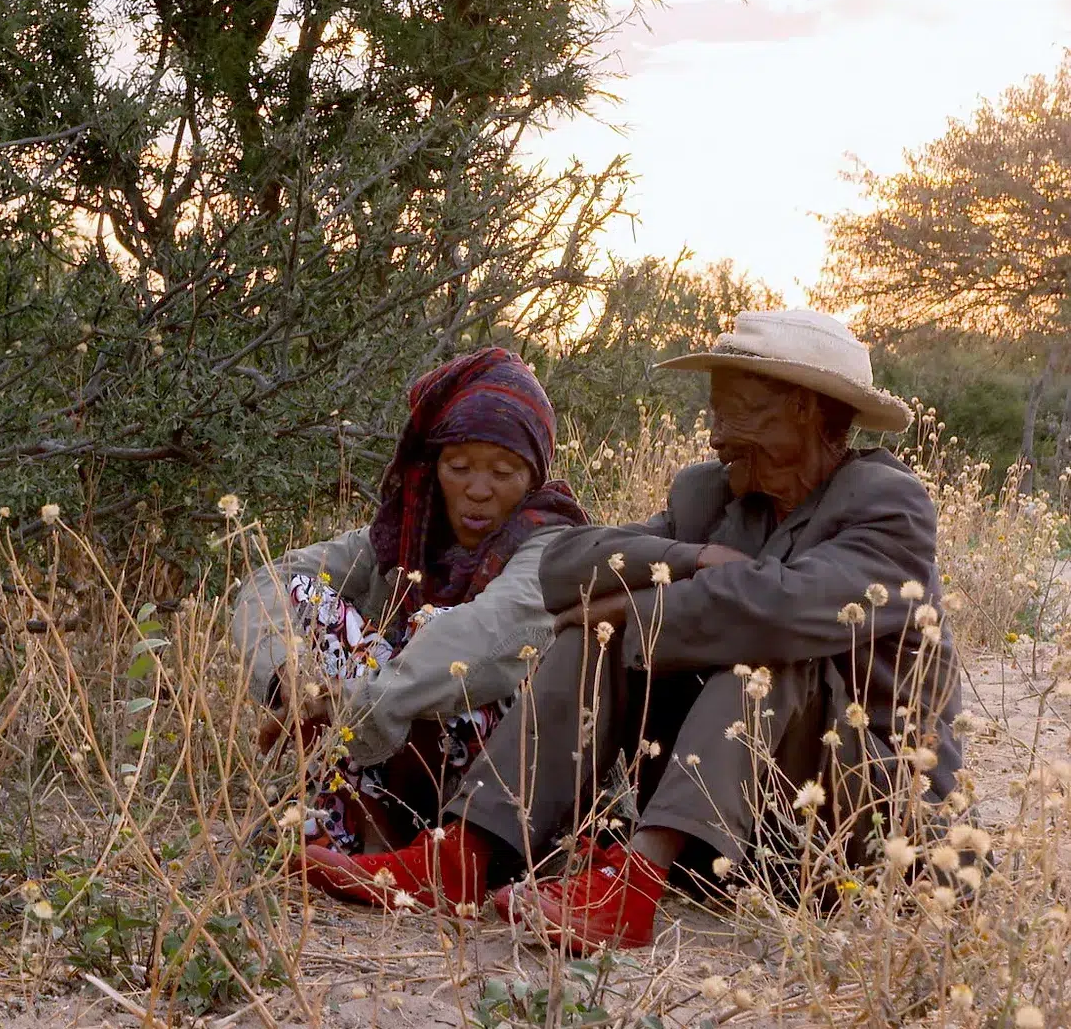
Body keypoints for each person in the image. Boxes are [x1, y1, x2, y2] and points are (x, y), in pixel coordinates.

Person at [307, 309, 959, 952]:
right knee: (597, 636)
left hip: (850, 826)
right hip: (735, 833)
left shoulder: (886, 503)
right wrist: (691, 558)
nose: (715, 436)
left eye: (736, 412)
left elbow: (780, 608)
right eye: (715, 412)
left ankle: (636, 884)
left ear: (805, 409)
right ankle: (463, 857)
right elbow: (566, 565)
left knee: (766, 649)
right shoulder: (710, 495)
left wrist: (630, 610)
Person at [231, 348, 587, 876]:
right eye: (458, 467)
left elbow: (490, 635)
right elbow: (272, 579)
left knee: (439, 638)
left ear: (534, 476)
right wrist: (293, 678)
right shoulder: (402, 536)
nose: (478, 490)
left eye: (504, 472)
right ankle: (364, 822)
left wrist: (353, 700)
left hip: (490, 788)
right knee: (307, 594)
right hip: (384, 744)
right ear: (434, 465)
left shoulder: (553, 543)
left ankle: (449, 852)